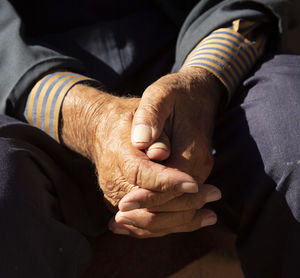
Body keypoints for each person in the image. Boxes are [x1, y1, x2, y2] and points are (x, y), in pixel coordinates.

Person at [0, 0, 299, 277]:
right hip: (20, 89)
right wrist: (90, 117)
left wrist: (203, 80)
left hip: (201, 48)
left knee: (290, 131)